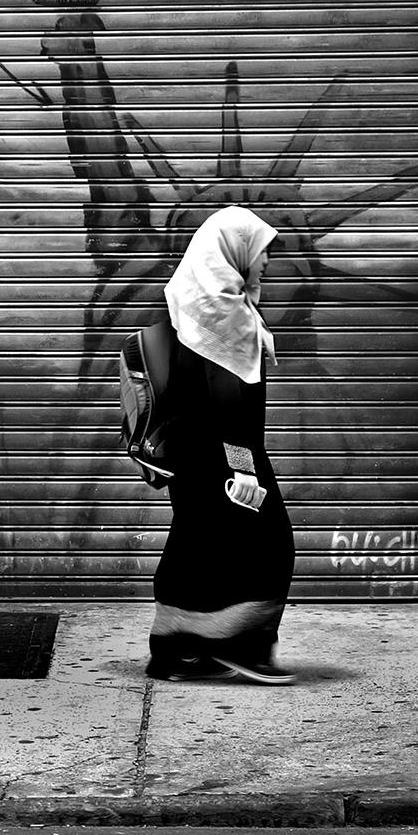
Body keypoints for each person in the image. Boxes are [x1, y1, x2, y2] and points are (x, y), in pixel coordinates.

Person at [146, 205, 297, 685]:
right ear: (235, 250)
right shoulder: (223, 313)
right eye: (263, 251)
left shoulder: (194, 301)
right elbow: (228, 399)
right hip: (225, 463)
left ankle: (175, 648)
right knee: (270, 544)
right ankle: (244, 646)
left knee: (196, 543)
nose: (268, 262)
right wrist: (244, 472)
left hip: (192, 461)